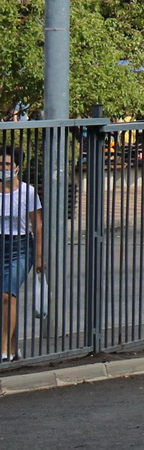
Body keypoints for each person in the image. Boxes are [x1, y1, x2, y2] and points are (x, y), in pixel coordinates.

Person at [0, 146, 43, 362]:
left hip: (21, 247)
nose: (3, 168)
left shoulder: (28, 192)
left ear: (17, 167)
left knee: (8, 296)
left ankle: (4, 349)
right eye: (0, 164)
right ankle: (13, 348)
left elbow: (37, 224)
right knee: (7, 299)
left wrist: (39, 256)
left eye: (7, 164)